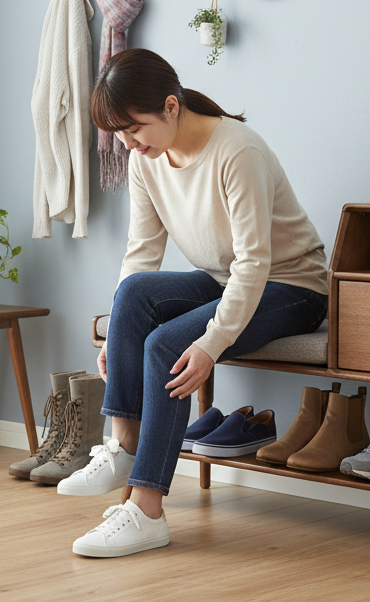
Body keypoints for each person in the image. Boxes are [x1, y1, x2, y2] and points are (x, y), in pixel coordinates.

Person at [64, 48, 330, 558]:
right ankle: (123, 448)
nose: (129, 145)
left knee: (168, 344)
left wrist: (211, 343)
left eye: (133, 129)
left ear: (170, 106)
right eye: (118, 135)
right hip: (223, 277)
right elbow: (141, 254)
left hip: (294, 287)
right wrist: (120, 333)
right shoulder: (147, 160)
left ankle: (146, 512)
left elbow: (254, 263)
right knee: (134, 296)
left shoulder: (237, 152)